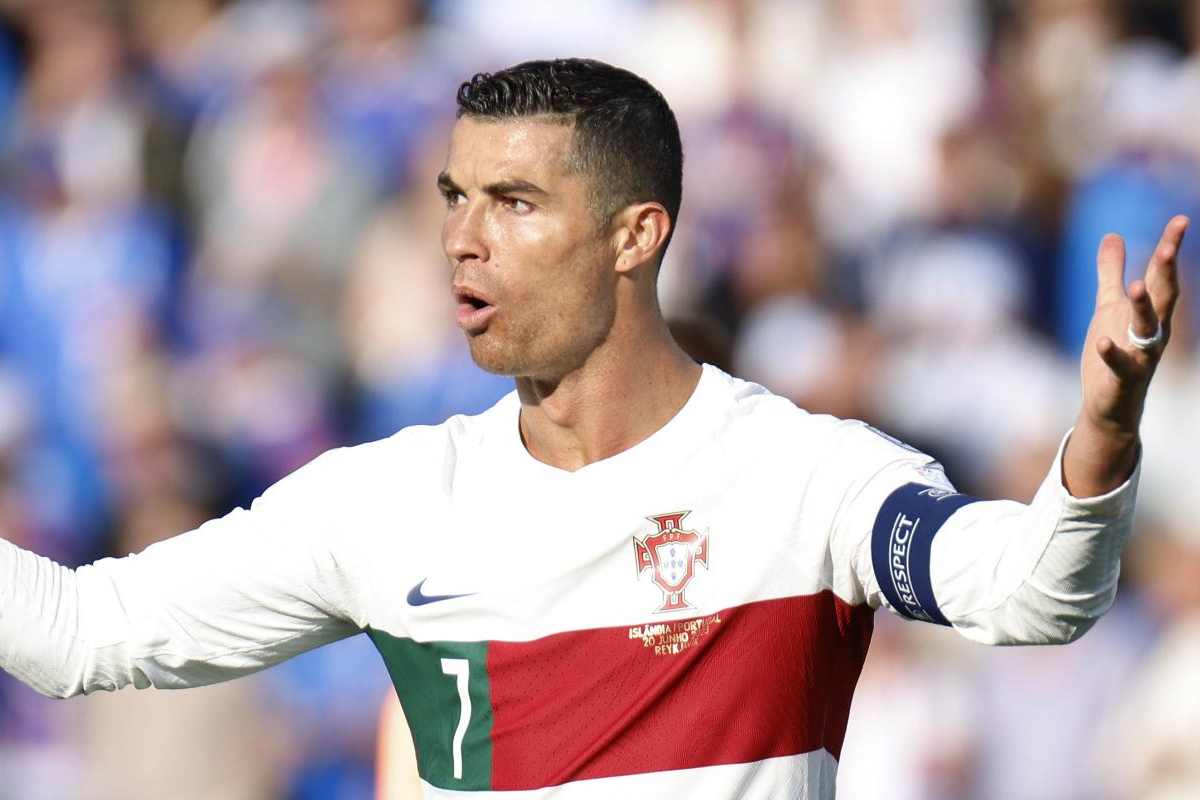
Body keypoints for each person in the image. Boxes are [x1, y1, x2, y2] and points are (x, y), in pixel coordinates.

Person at [0, 59, 1188, 799]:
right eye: (455, 199)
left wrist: (1102, 429)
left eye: (514, 202)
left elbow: (1036, 592)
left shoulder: (806, 474)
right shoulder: (385, 500)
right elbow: (79, 632)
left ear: (636, 234)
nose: (463, 239)